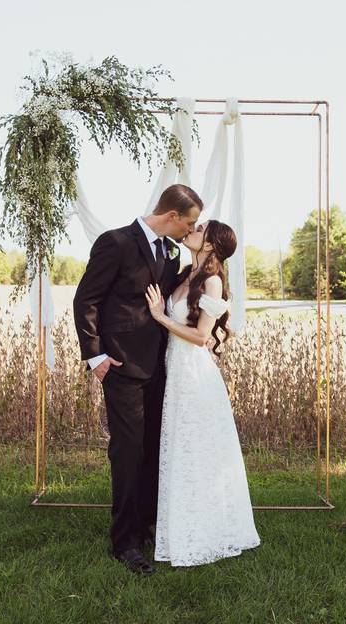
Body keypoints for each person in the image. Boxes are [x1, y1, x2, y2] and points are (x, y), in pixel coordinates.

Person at [72, 184, 201, 576]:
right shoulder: (116, 243)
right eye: (190, 223)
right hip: (121, 366)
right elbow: (86, 300)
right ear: (172, 216)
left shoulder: (171, 251)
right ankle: (124, 541)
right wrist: (95, 356)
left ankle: (145, 525)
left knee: (151, 447)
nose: (189, 230)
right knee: (127, 452)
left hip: (160, 367)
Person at [144, 219, 261, 567]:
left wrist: (159, 317)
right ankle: (181, 523)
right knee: (181, 448)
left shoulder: (211, 281)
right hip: (176, 372)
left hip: (194, 374)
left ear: (209, 245)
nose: (192, 230)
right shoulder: (184, 275)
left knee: (196, 448)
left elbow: (199, 336)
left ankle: (207, 530)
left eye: (201, 229)